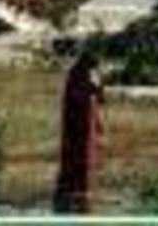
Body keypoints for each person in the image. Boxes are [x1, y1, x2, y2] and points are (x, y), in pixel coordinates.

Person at [53, 52, 105, 214]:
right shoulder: (75, 76)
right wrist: (93, 88)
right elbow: (78, 97)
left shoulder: (86, 75)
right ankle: (70, 188)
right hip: (75, 124)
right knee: (74, 155)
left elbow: (99, 96)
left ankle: (80, 188)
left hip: (84, 124)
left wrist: (97, 86)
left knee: (84, 156)